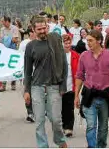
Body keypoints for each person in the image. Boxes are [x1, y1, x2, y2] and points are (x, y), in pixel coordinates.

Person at [23, 16, 68, 148]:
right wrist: (27, 90)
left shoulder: (55, 39)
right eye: (39, 29)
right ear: (33, 29)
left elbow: (64, 63)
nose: (43, 31)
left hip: (54, 86)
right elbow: (27, 70)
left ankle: (60, 140)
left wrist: (63, 85)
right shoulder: (30, 46)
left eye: (44, 28)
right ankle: (43, 146)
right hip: (36, 87)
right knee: (39, 121)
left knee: (56, 120)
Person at [74, 30, 109, 148]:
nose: (88, 43)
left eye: (91, 40)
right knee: (91, 125)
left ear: (99, 41)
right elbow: (80, 76)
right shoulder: (84, 56)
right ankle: (92, 147)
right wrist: (76, 96)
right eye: (87, 41)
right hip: (89, 96)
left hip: (105, 97)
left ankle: (101, 146)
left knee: (103, 127)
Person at [61, 34, 80, 138]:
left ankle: (69, 128)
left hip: (71, 85)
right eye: (65, 43)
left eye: (69, 43)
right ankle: (64, 124)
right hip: (60, 86)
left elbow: (79, 71)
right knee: (62, 108)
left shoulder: (76, 55)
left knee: (70, 107)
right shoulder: (58, 55)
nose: (67, 45)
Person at [19, 26, 35, 123]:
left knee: (37, 92)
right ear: (29, 33)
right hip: (27, 72)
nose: (34, 34)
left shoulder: (40, 42)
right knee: (27, 92)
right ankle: (30, 112)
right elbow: (19, 56)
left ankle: (39, 111)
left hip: (38, 72)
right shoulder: (24, 43)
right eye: (32, 32)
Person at [0, 16, 20, 91]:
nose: (2, 23)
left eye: (3, 21)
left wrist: (7, 38)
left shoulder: (14, 28)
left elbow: (15, 40)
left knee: (13, 66)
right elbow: (1, 39)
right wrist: (10, 38)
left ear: (7, 21)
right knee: (4, 67)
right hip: (5, 50)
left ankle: (13, 83)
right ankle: (3, 84)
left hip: (13, 49)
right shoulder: (2, 29)